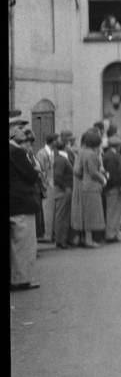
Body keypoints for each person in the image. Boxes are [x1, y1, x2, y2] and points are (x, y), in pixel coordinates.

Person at [10, 112, 42, 290]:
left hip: (13, 203)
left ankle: (16, 277)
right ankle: (21, 279)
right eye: (20, 128)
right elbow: (30, 176)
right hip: (22, 202)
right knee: (24, 244)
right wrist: (35, 170)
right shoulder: (17, 151)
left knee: (15, 245)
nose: (24, 131)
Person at [71, 128, 107, 249]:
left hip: (83, 185)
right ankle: (89, 240)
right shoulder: (91, 154)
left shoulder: (81, 152)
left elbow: (77, 171)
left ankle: (83, 239)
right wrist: (103, 179)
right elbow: (93, 172)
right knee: (91, 215)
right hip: (91, 187)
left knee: (84, 214)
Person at [51, 135, 74, 249]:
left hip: (62, 189)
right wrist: (66, 187)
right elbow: (58, 176)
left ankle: (62, 239)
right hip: (63, 190)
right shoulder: (61, 160)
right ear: (65, 147)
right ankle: (61, 240)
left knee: (62, 215)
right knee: (62, 216)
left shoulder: (61, 158)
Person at [101, 139, 121, 243]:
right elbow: (114, 173)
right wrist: (120, 185)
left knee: (114, 210)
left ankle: (113, 233)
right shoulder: (113, 157)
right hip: (113, 187)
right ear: (117, 146)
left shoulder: (107, 155)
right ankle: (111, 234)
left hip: (110, 186)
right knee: (113, 211)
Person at [36, 133, 57, 243]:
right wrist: (46, 184)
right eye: (56, 140)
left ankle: (52, 233)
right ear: (52, 141)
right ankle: (47, 234)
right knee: (47, 210)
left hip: (54, 184)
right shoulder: (42, 153)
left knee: (52, 210)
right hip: (48, 185)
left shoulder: (53, 153)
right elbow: (40, 171)